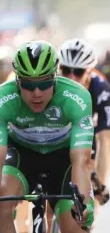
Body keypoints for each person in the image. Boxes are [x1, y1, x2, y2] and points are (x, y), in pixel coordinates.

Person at [0, 40, 95, 233]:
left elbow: (81, 160)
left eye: (45, 84)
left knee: (77, 221)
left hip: (62, 158)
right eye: (27, 85)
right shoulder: (1, 98)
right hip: (23, 155)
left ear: (55, 77)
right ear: (17, 81)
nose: (37, 93)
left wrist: (84, 205)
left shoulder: (76, 97)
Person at [59, 38, 110, 204]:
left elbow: (104, 139)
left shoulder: (100, 88)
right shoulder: (52, 85)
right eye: (66, 70)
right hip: (58, 131)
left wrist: (99, 184)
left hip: (87, 133)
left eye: (78, 72)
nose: (71, 78)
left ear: (90, 71)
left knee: (88, 191)